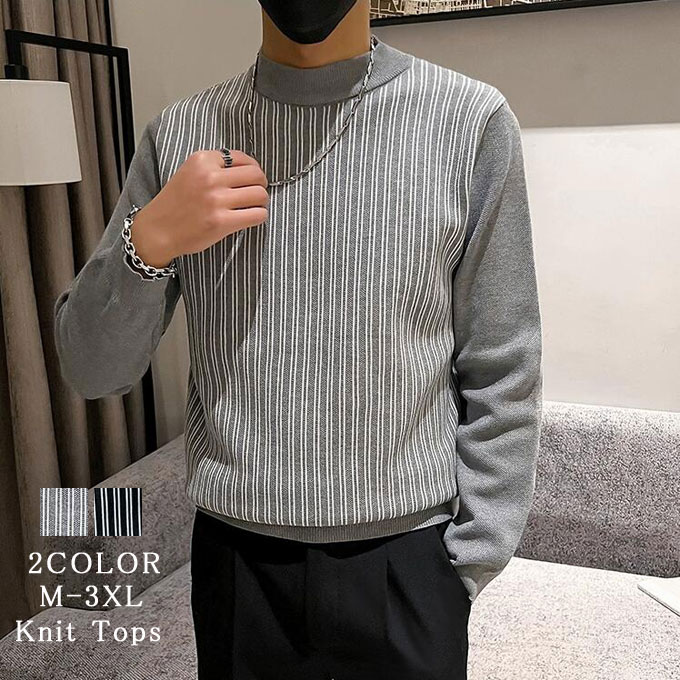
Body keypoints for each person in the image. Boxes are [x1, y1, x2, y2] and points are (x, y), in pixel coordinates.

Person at [54, 1, 543, 678]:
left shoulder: (468, 120)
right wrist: (151, 240)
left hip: (410, 561)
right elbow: (90, 368)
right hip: (238, 566)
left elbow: (503, 363)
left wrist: (467, 561)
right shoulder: (182, 134)